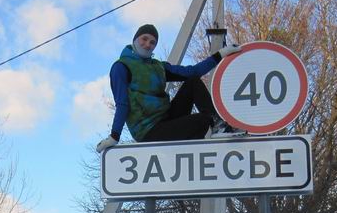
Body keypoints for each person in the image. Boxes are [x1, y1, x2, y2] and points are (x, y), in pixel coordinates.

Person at [95, 24, 243, 153]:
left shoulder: (158, 67)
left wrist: (221, 54)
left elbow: (193, 71)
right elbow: (122, 103)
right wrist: (114, 136)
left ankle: (218, 126)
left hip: (166, 119)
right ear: (135, 40)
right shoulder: (121, 67)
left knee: (192, 82)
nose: (148, 44)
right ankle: (202, 136)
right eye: (144, 39)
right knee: (203, 121)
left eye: (152, 42)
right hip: (148, 131)